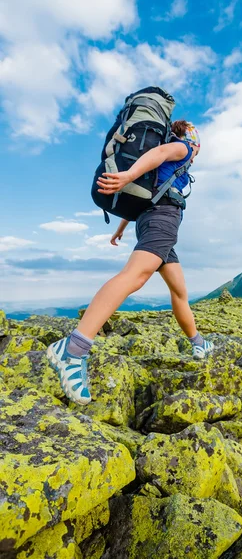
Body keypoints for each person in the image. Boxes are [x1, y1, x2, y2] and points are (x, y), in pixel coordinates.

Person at [47, 120, 214, 406]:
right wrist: (128, 176)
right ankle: (73, 349)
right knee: (135, 276)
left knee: (178, 291)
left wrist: (123, 226)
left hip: (153, 220)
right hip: (163, 220)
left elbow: (150, 191)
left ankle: (198, 344)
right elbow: (157, 156)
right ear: (192, 137)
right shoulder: (183, 148)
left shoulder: (178, 160)